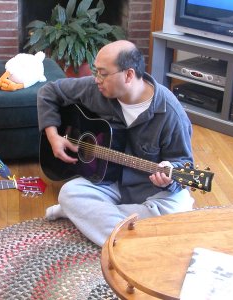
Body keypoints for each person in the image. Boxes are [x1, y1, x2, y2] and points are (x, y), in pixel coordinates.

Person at [37, 40, 195, 247]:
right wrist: (52, 135)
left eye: (103, 73)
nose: (96, 79)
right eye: (95, 72)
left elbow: (185, 166)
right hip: (108, 181)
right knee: (69, 192)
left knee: (178, 208)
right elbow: (48, 92)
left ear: (129, 75)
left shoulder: (170, 113)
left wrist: (169, 176)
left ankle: (88, 216)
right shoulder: (96, 89)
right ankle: (126, 242)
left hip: (148, 191)